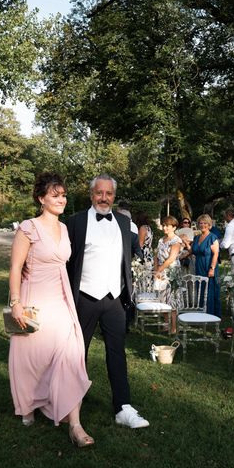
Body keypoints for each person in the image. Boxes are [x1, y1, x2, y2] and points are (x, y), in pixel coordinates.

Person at [8, 172, 93, 447]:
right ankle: (29, 404)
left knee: (72, 354)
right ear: (41, 198)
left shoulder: (65, 228)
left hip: (62, 299)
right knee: (32, 358)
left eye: (63, 195)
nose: (61, 200)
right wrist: (15, 303)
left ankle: (76, 425)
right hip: (35, 299)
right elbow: (15, 268)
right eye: (55, 195)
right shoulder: (28, 228)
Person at [66, 174, 149, 429]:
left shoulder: (125, 223)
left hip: (115, 299)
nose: (104, 198)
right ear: (91, 195)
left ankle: (123, 407)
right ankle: (69, 402)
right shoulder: (75, 222)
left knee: (117, 353)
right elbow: (64, 260)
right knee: (77, 353)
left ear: (114, 195)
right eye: (99, 193)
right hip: (84, 297)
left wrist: (136, 274)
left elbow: (136, 254)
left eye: (109, 194)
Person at [184, 214, 221, 317]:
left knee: (209, 290)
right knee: (200, 288)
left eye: (205, 223)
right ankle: (202, 311)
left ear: (209, 225)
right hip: (198, 265)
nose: (202, 225)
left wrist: (212, 268)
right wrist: (186, 244)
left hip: (208, 265)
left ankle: (211, 314)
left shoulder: (212, 237)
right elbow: (192, 251)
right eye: (200, 223)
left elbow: (216, 254)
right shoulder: (197, 237)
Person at [155, 215, 183, 332]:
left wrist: (160, 270)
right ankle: (166, 324)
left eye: (167, 226)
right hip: (160, 271)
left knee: (172, 300)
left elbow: (171, 258)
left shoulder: (176, 240)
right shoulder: (161, 240)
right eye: (164, 225)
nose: (165, 228)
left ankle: (173, 327)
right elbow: (156, 255)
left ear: (174, 227)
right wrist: (156, 269)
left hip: (171, 272)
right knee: (162, 298)